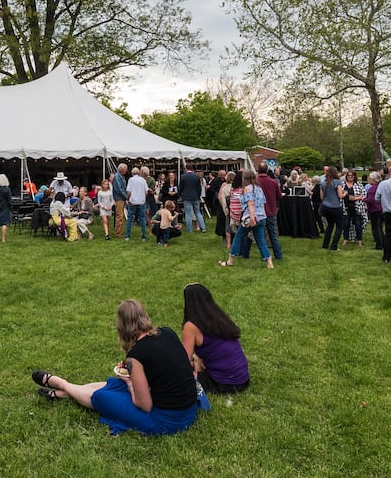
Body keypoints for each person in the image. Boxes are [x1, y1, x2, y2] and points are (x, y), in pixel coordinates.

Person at [31, 299, 209, 436]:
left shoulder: (136, 356)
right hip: (188, 408)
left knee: (101, 396)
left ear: (122, 326)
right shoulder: (167, 332)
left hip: (167, 420)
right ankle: (66, 393)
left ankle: (63, 385)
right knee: (114, 385)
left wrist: (129, 382)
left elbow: (144, 405)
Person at [181, 283, 249, 394]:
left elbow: (183, 360)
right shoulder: (218, 316)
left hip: (225, 383)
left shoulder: (191, 326)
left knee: (179, 380)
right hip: (242, 378)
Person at [220, 170, 273, 269]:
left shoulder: (247, 189)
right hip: (262, 217)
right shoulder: (259, 188)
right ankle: (269, 261)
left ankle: (230, 260)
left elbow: (250, 203)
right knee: (261, 240)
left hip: (250, 217)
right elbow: (262, 203)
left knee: (238, 237)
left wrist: (252, 218)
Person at [255, 162, 284, 262]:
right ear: (267, 171)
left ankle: (265, 255)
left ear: (258, 171)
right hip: (271, 211)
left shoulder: (255, 182)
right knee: (273, 235)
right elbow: (280, 196)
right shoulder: (273, 182)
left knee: (261, 235)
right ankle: (278, 255)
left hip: (259, 212)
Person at [319, 165, 345, 250]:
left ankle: (325, 245)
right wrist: (346, 193)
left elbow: (321, 197)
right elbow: (340, 195)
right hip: (335, 206)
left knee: (329, 226)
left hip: (325, 206)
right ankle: (334, 246)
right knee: (339, 227)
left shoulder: (323, 183)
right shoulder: (337, 182)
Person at [125, 166, 150, 241]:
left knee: (129, 219)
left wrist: (128, 198)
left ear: (132, 173)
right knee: (142, 219)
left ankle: (127, 236)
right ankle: (143, 236)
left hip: (132, 202)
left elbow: (129, 192)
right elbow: (146, 191)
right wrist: (143, 198)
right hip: (141, 202)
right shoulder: (142, 180)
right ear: (139, 173)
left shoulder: (130, 180)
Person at [178, 167, 205, 233]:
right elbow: (199, 188)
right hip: (195, 197)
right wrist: (198, 196)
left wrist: (179, 196)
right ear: (192, 169)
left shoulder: (183, 176)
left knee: (188, 213)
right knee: (198, 212)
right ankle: (203, 228)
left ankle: (189, 229)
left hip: (186, 197)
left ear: (186, 169)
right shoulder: (196, 177)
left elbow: (180, 187)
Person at [110, 163, 129, 238]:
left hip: (121, 198)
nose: (126, 170)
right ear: (121, 169)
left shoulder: (120, 176)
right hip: (119, 198)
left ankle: (119, 231)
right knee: (120, 216)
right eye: (125, 169)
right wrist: (125, 196)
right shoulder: (117, 177)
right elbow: (119, 189)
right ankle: (117, 233)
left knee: (121, 216)